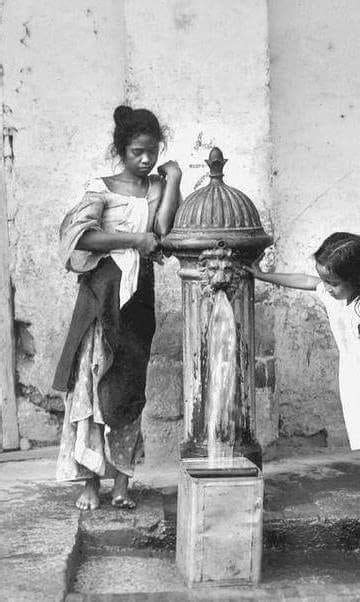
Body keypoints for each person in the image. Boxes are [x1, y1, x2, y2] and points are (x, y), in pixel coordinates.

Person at [247, 232, 360, 530]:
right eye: (327, 281)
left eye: (333, 283)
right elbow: (308, 281)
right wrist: (264, 276)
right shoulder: (346, 293)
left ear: (356, 279)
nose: (327, 289)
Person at [53, 105, 181, 510]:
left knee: (128, 388)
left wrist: (174, 178)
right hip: (100, 299)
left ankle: (122, 481)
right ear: (121, 150)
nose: (146, 160)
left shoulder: (155, 187)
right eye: (137, 152)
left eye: (152, 152)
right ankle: (90, 482)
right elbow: (79, 239)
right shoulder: (101, 189)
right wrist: (131, 241)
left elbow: (160, 231)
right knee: (91, 385)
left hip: (137, 300)